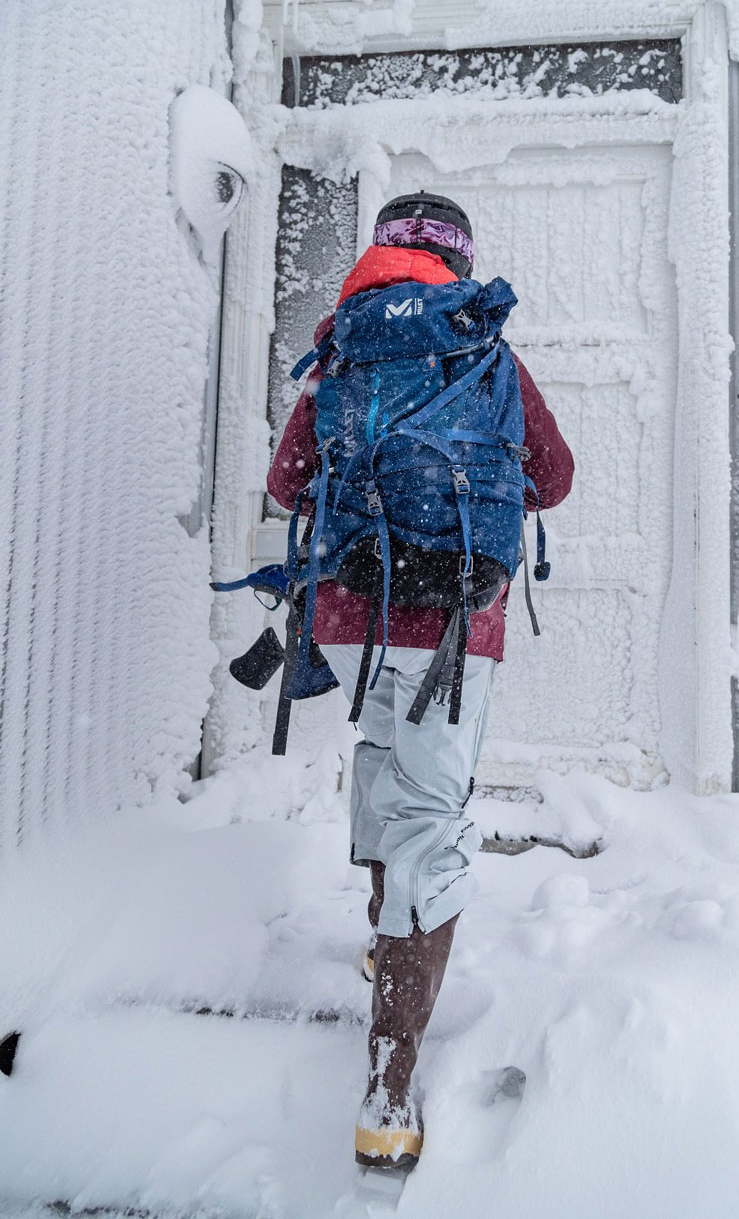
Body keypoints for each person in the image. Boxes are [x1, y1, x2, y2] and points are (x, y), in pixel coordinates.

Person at [267, 192, 574, 1172]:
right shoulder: (482, 347)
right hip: (453, 626)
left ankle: (383, 943)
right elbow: (556, 474)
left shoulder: (346, 348)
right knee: (433, 822)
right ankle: (387, 1092)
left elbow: (286, 483)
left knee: (383, 772)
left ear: (381, 254)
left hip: (356, 615)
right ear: (461, 258)